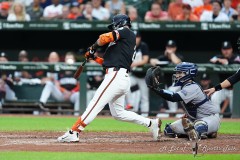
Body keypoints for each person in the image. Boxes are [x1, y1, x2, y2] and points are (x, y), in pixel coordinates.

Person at [57, 14, 161, 142]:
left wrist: (93, 47)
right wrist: (93, 57)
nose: (113, 28)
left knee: (95, 104)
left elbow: (103, 38)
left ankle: (74, 131)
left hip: (116, 76)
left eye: (114, 26)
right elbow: (107, 62)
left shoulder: (126, 31)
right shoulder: (122, 43)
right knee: (119, 113)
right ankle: (151, 123)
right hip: (119, 76)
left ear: (120, 24)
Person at [146, 62, 220, 156]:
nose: (177, 75)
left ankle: (205, 131)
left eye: (180, 73)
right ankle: (201, 132)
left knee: (199, 127)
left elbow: (173, 97)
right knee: (169, 130)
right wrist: (155, 88)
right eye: (177, 73)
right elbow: (170, 93)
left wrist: (156, 89)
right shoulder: (183, 86)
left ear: (189, 74)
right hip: (194, 119)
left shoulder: (193, 87)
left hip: (210, 118)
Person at [150, 40, 183, 115]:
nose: (170, 49)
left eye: (172, 47)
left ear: (175, 48)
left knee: (171, 92)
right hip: (167, 84)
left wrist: (171, 54)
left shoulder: (178, 55)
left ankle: (175, 112)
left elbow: (178, 62)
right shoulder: (163, 57)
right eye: (168, 47)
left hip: (178, 85)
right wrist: (155, 61)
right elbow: (152, 61)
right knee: (161, 114)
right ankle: (172, 112)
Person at [207, 41, 240, 113]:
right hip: (223, 88)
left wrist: (228, 62)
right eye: (224, 49)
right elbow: (210, 62)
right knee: (214, 98)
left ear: (231, 49)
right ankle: (217, 118)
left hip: (234, 90)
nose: (226, 51)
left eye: (228, 49)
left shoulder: (236, 57)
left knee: (235, 111)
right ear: (222, 50)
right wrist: (219, 61)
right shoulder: (219, 57)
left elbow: (238, 62)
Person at [125, 31, 150, 117]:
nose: (135, 39)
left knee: (144, 97)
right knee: (125, 83)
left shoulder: (143, 45)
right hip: (133, 74)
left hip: (142, 75)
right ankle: (130, 105)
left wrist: (134, 64)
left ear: (140, 38)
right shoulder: (129, 46)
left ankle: (145, 116)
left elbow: (145, 59)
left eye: (137, 37)